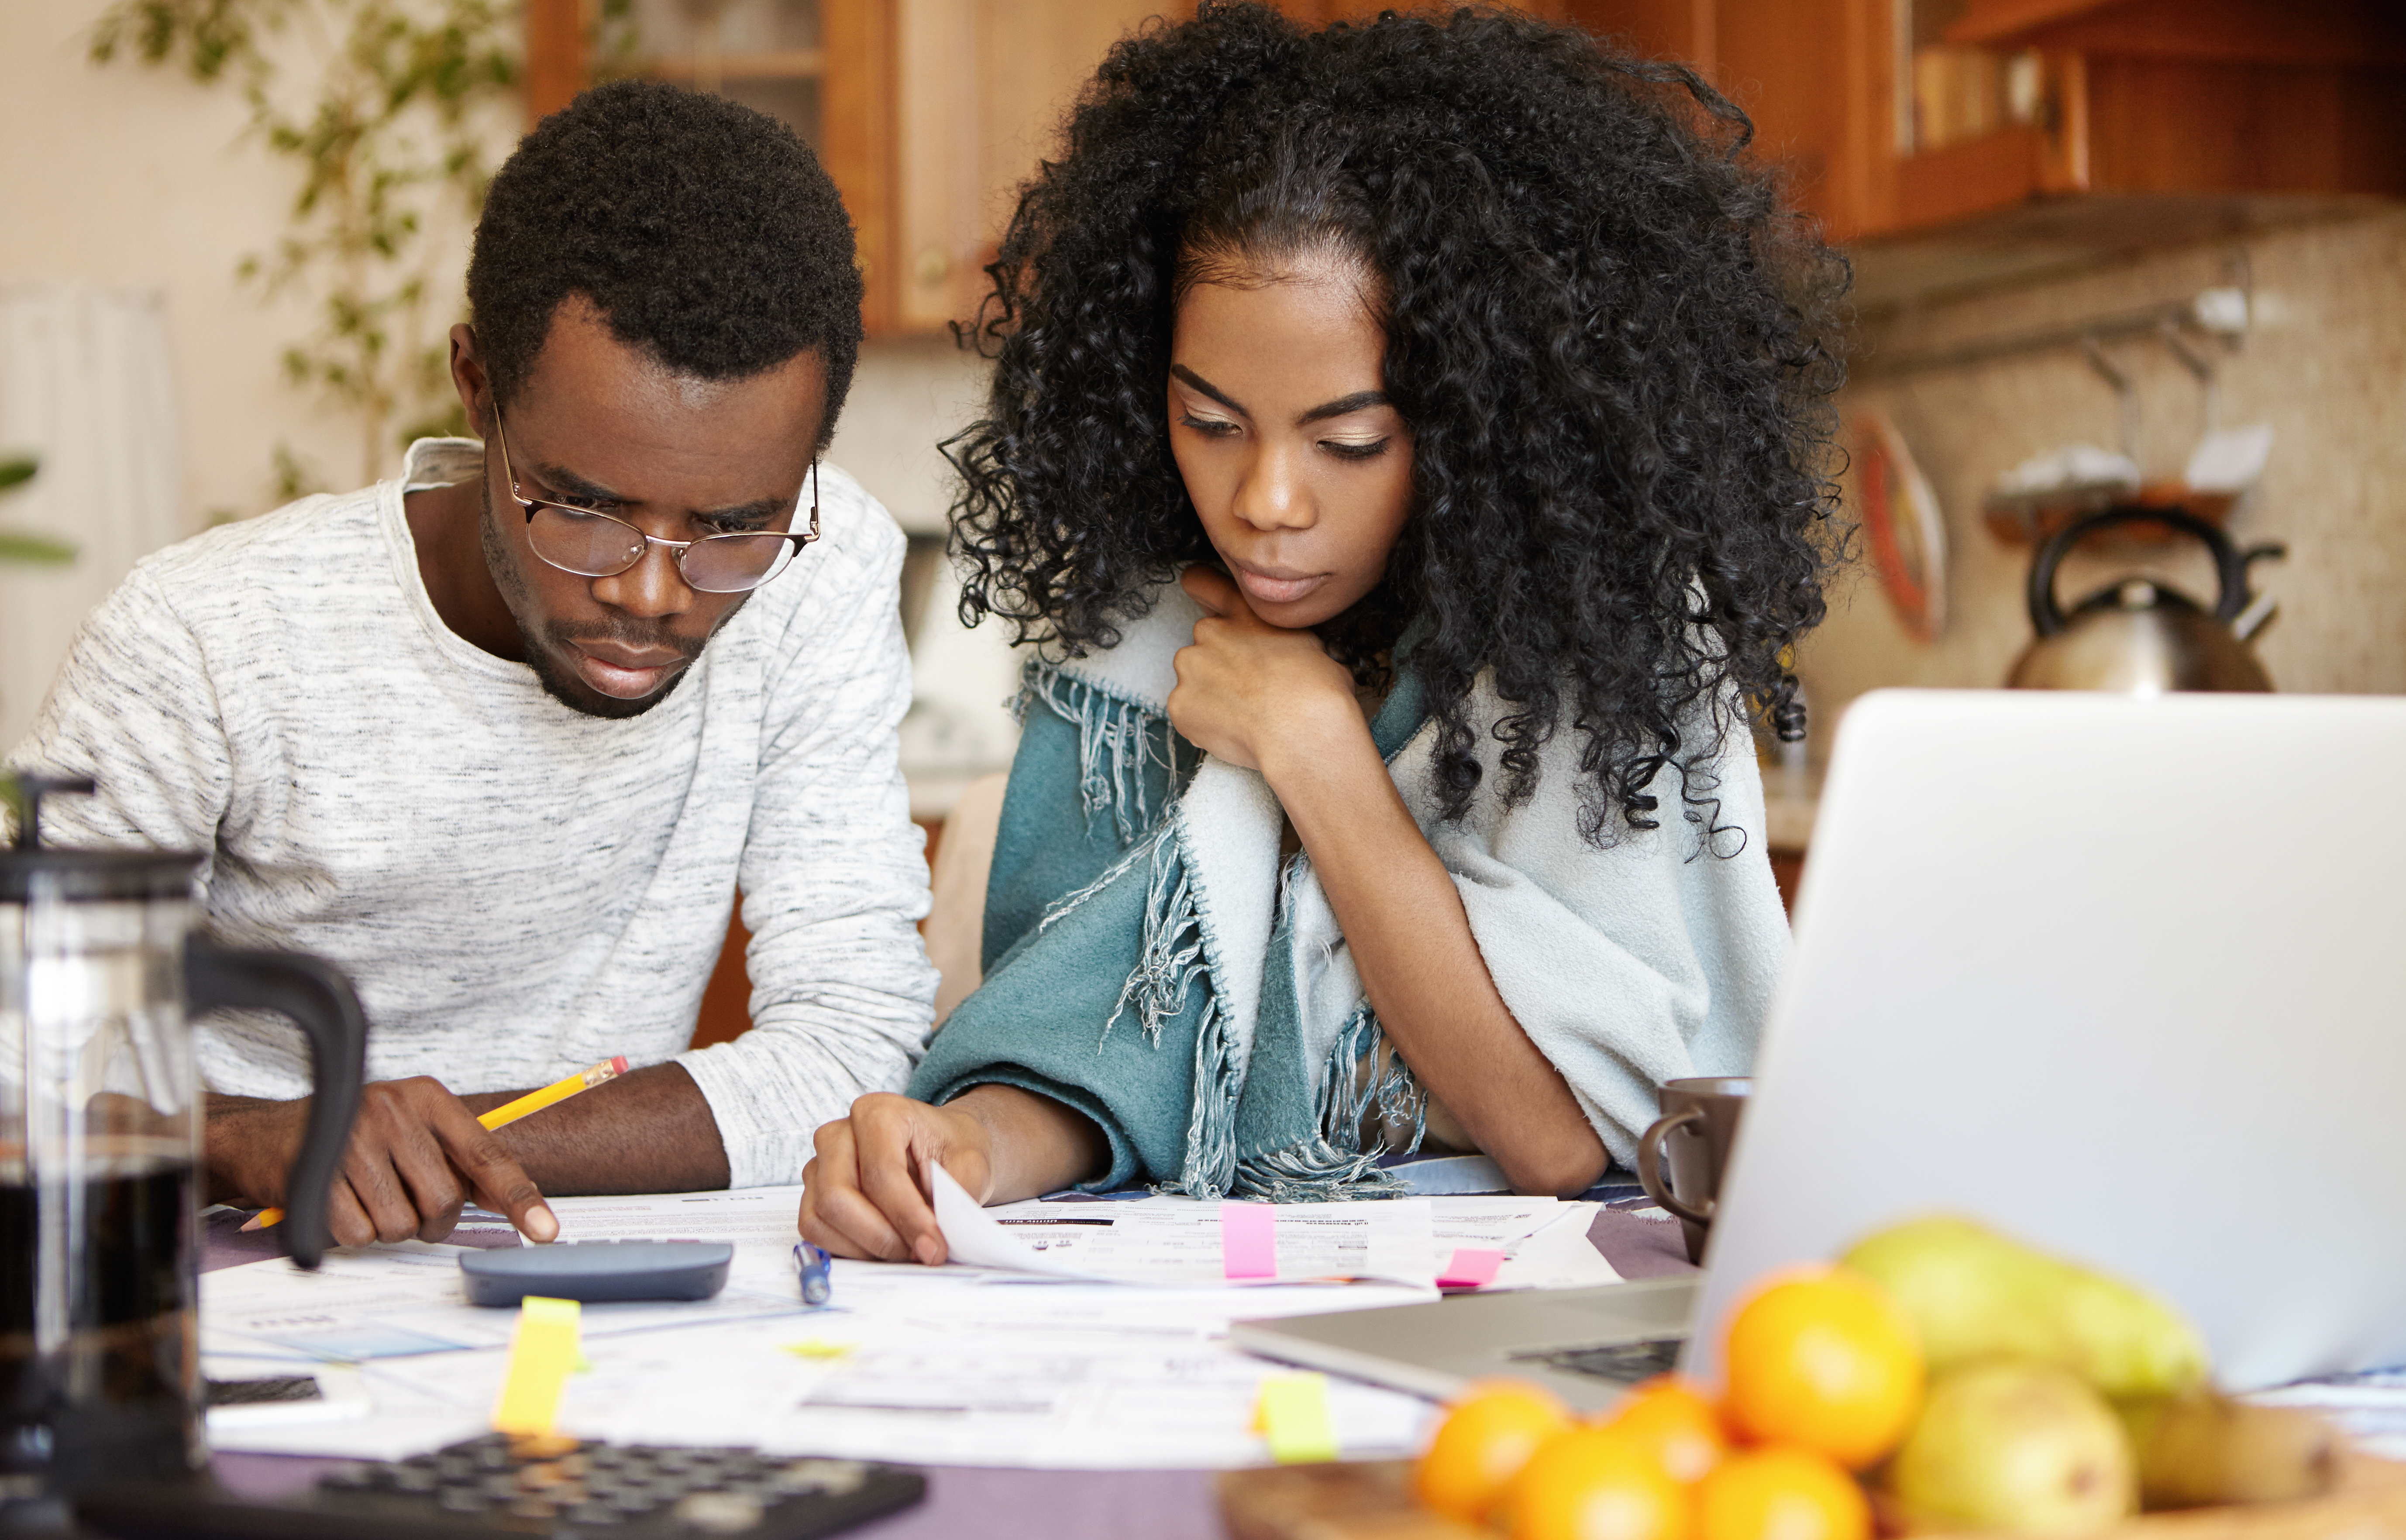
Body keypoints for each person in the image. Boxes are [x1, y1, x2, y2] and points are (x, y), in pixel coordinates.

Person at [798, 1, 1845, 1264]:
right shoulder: (1145, 638)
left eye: (1348, 441)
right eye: (1210, 421)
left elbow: (1557, 1134)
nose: (1266, 503)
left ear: (1471, 417)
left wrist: (1316, 751)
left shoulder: (1602, 642)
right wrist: (964, 1145)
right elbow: (1106, 1057)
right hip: (1220, 1293)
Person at [6, 81, 936, 1247]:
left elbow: (850, 1041)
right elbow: (14, 1058)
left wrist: (432, 1146)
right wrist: (245, 1132)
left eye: (733, 527)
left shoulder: (823, 567)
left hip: (598, 1296)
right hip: (237, 1284)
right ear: (476, 385)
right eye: (585, 507)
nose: (650, 593)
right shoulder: (203, 640)